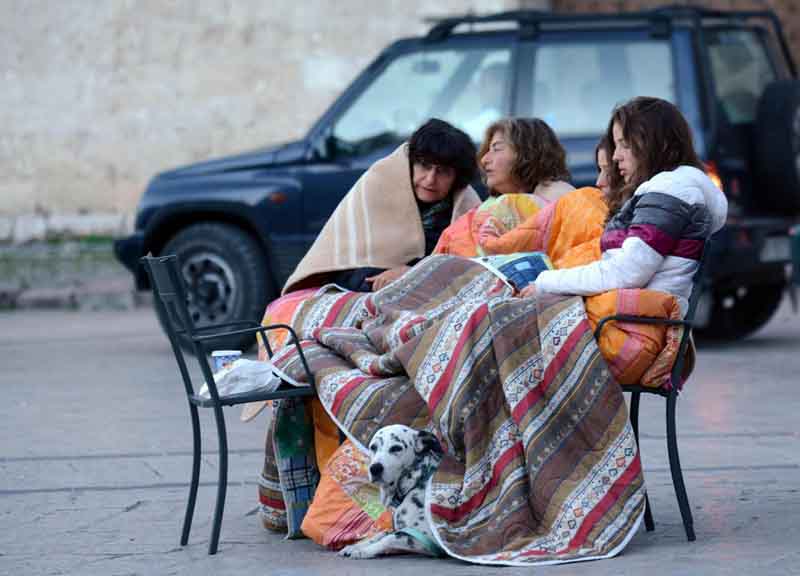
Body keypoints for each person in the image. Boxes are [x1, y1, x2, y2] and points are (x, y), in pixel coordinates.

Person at [519, 97, 728, 315]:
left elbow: (626, 273)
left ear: (660, 144)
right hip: (629, 312)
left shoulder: (670, 191)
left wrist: (546, 282)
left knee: (512, 317)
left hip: (630, 322)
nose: (616, 156)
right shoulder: (670, 191)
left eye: (624, 145)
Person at [281, 118, 482, 294]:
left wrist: (412, 273)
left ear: (457, 177)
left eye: (443, 171)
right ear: (410, 163)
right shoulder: (376, 187)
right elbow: (340, 265)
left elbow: (473, 272)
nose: (430, 179)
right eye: (424, 166)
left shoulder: (466, 209)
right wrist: (381, 279)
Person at [433, 117, 574, 256]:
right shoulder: (489, 206)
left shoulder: (559, 197)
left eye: (496, 149)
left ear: (527, 153)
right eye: (488, 150)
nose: (484, 160)